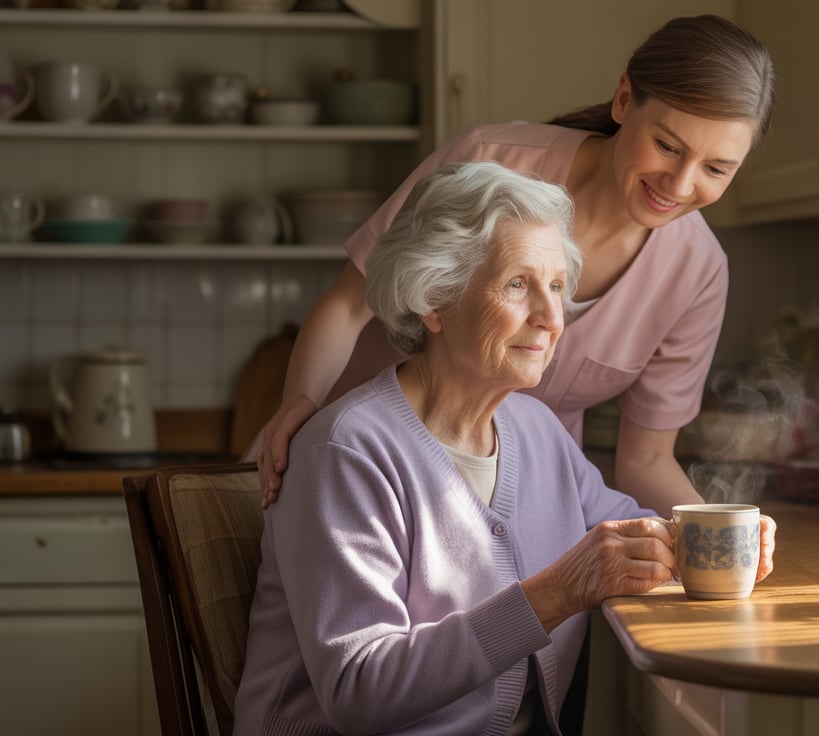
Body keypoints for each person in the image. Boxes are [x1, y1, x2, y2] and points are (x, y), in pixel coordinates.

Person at [232, 161, 777, 735]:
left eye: (559, 287)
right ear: (434, 300)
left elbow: (636, 534)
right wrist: (557, 593)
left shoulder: (537, 431)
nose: (550, 318)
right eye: (518, 284)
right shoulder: (347, 453)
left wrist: (712, 538)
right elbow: (358, 689)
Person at [252, 14, 776, 517]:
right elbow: (347, 306)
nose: (680, 185)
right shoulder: (491, 161)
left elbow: (645, 460)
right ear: (623, 100)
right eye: (666, 145)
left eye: (715, 168)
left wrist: (718, 533)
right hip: (355, 460)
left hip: (513, 506)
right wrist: (299, 405)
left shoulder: (698, 271)